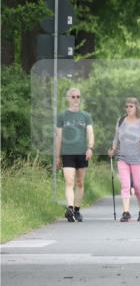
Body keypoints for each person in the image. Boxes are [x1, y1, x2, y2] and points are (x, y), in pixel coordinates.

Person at [54, 87, 94, 222]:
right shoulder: (62, 116)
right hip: (67, 153)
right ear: (68, 98)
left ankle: (77, 210)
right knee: (69, 181)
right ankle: (70, 208)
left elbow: (90, 133)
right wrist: (57, 156)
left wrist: (90, 148)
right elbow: (58, 137)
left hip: (82, 153)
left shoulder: (86, 116)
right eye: (73, 97)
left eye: (78, 96)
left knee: (80, 182)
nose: (76, 99)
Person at [108, 97, 140, 221]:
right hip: (122, 157)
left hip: (137, 158)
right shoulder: (121, 121)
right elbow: (116, 138)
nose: (128, 108)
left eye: (131, 106)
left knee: (137, 185)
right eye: (126, 106)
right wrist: (113, 149)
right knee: (125, 185)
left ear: (136, 107)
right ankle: (126, 212)